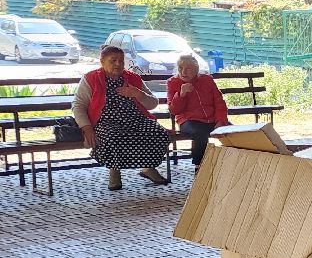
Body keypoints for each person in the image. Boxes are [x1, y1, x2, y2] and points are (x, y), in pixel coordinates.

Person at [72, 43, 170, 190]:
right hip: (105, 122)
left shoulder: (133, 78)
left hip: (136, 119)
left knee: (160, 133)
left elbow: (153, 103)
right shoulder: (91, 79)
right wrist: (87, 128)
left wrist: (138, 94)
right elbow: (78, 105)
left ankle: (148, 168)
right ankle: (114, 171)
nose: (118, 64)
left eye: (121, 60)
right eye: (113, 60)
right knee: (114, 137)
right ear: (102, 62)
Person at [167, 54, 230, 167]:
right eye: (180, 68)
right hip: (189, 121)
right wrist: (181, 95)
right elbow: (174, 110)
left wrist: (221, 121)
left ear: (196, 70)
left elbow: (219, 102)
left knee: (234, 131)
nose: (183, 72)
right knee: (200, 134)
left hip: (212, 120)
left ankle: (231, 163)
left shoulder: (207, 80)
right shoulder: (173, 82)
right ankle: (199, 167)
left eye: (188, 69)